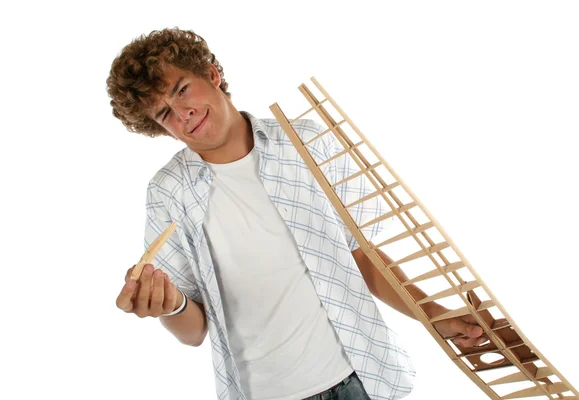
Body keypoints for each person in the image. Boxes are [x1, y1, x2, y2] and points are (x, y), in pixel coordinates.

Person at [109, 28, 485, 400]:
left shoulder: (306, 141)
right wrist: (168, 304)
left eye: (182, 90)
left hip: (360, 379)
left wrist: (435, 315)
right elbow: (193, 331)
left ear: (211, 74)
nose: (183, 113)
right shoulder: (168, 192)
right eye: (164, 113)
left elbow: (361, 256)